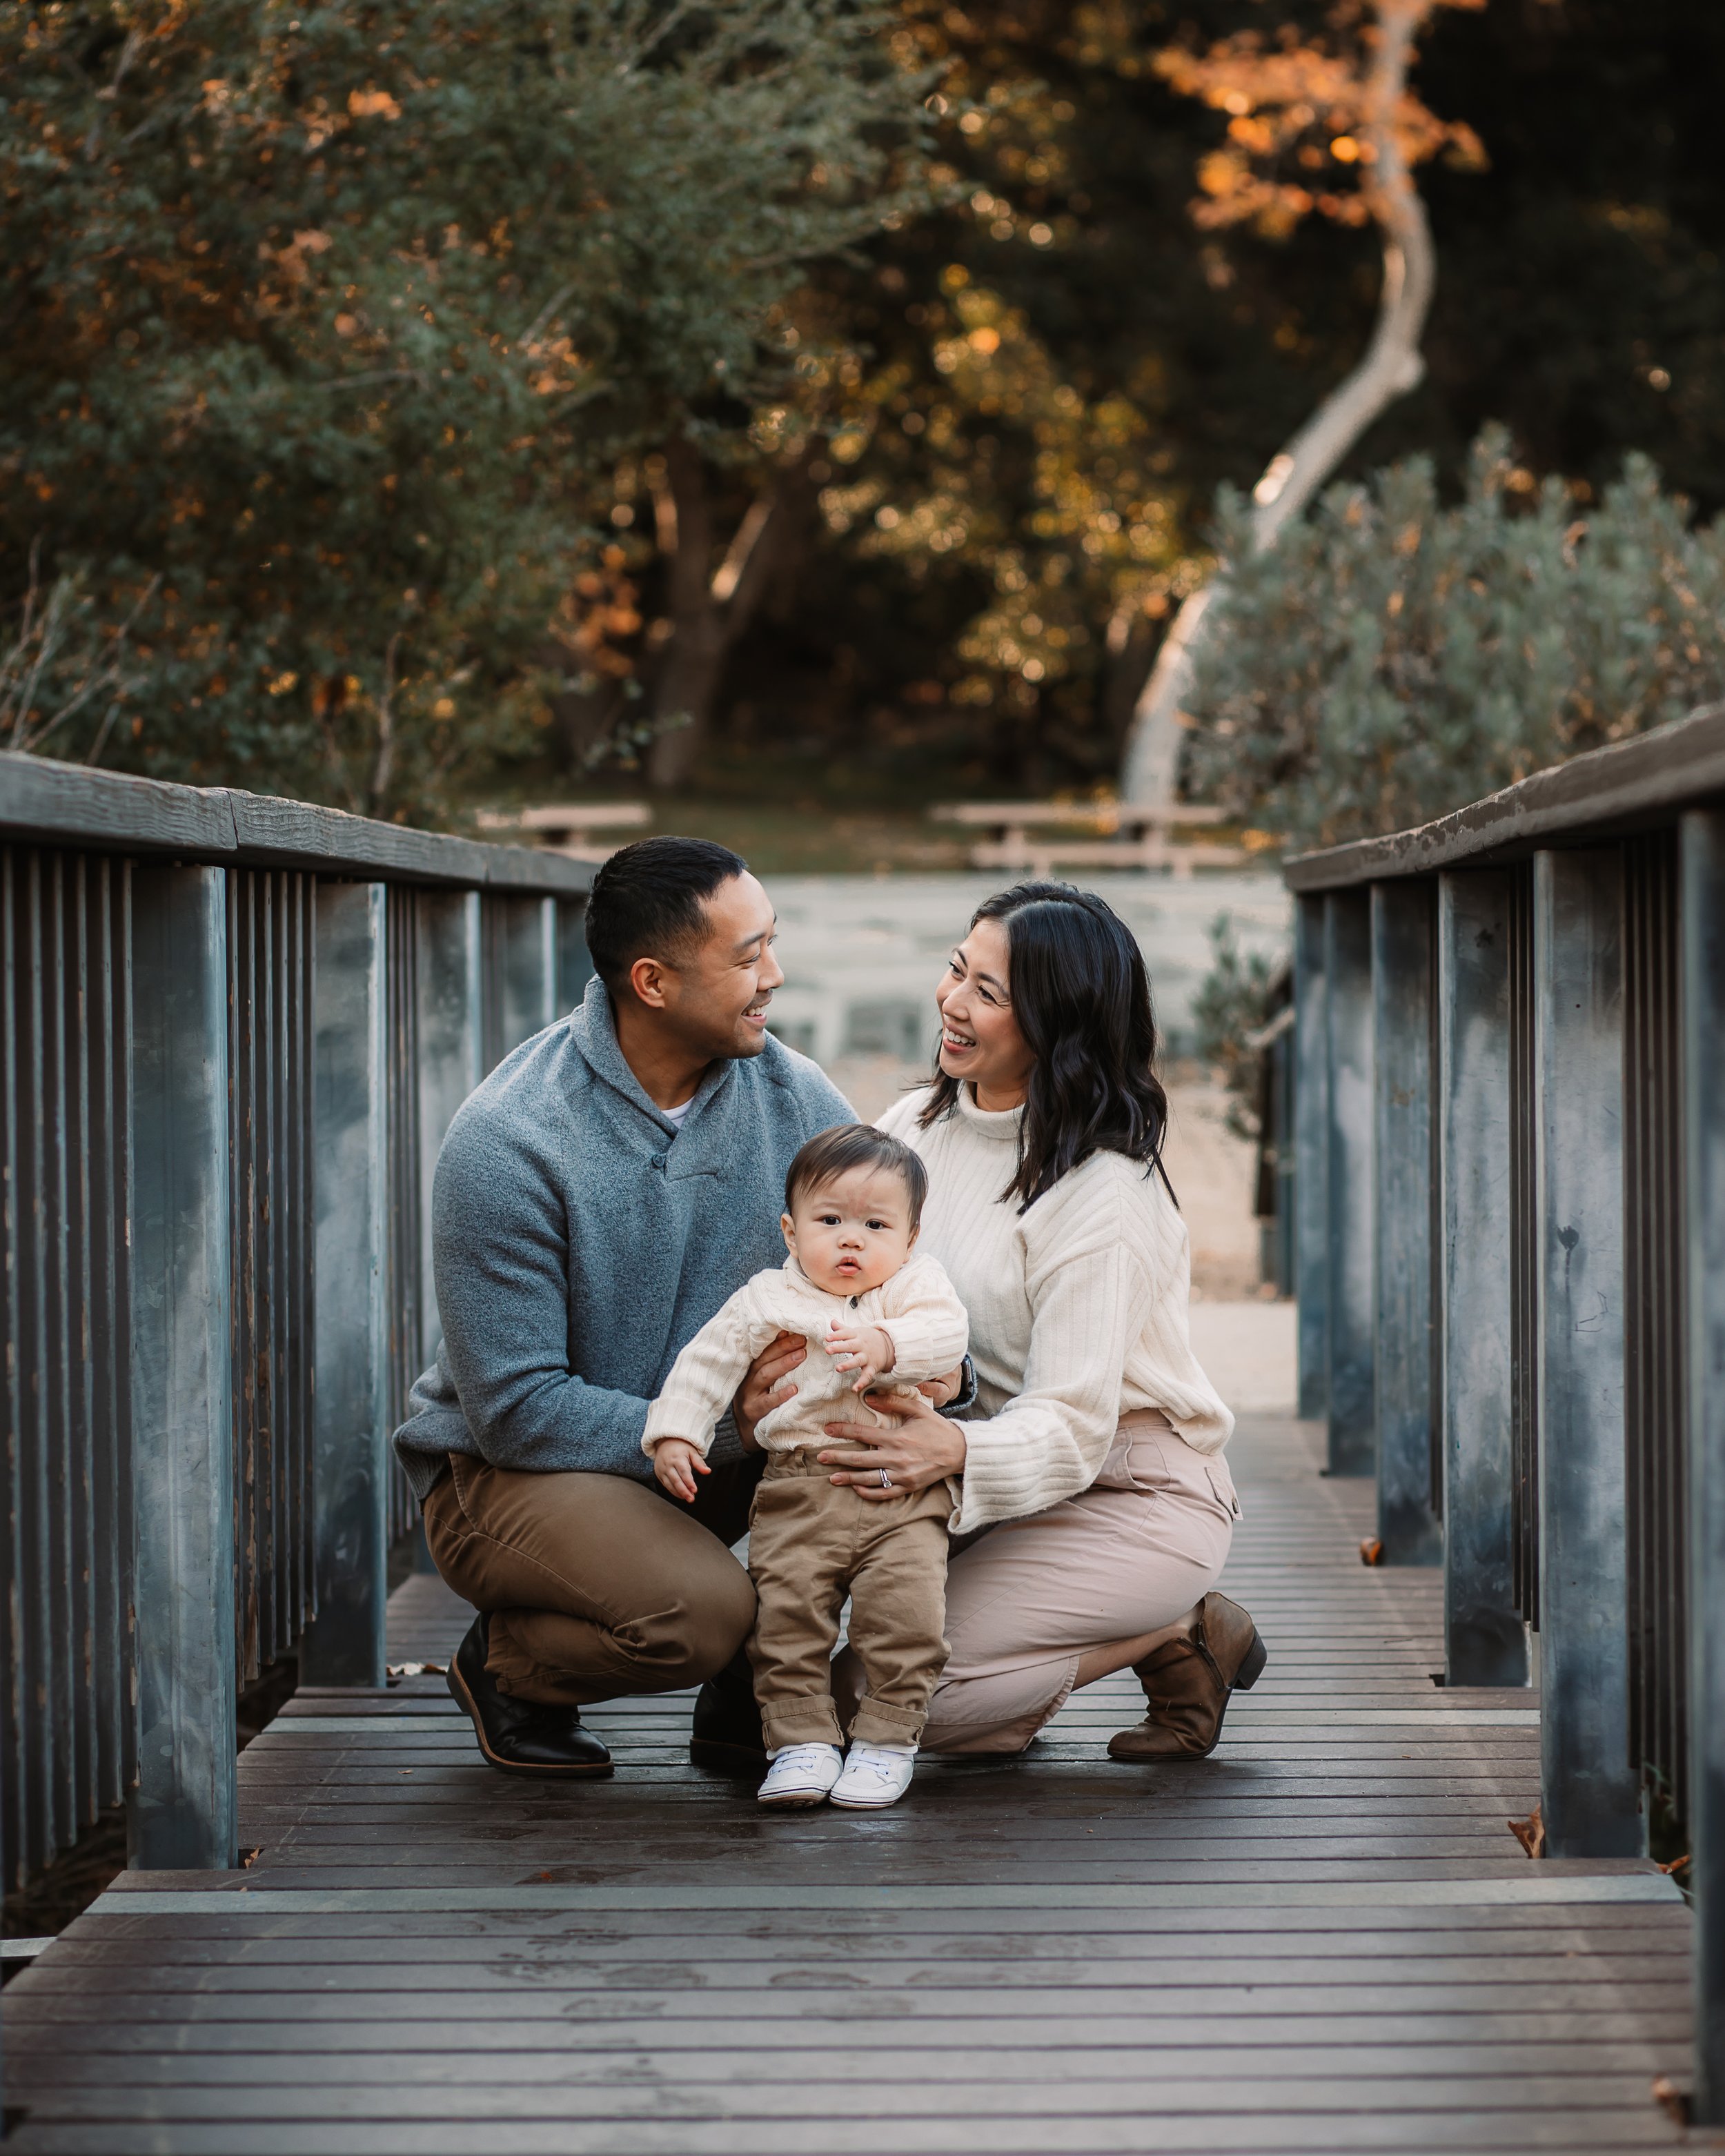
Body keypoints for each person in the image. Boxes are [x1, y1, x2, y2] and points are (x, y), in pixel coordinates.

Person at [393, 835, 862, 1780]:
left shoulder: (795, 1095)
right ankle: (508, 1666)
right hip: (515, 1475)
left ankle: (751, 1694)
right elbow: (518, 1410)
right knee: (701, 1614)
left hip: (708, 1454)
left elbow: (882, 1261)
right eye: (748, 957)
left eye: (771, 944)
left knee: (888, 1464)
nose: (774, 976)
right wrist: (725, 1425)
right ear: (652, 981)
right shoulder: (510, 1138)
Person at [818, 882, 1266, 1761]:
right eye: (956, 970)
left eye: (987, 992)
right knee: (812, 1684)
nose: (951, 1002)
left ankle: (1178, 1628)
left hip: (1127, 1487)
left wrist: (954, 1447)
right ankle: (1024, 1673)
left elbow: (1069, 1422)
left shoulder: (1106, 1193)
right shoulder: (912, 1127)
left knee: (878, 1700)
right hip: (985, 1477)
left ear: (1057, 1027)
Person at [645, 1124, 969, 1811]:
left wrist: (888, 1343)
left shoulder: (916, 1286)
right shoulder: (767, 1298)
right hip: (796, 1485)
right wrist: (676, 1430)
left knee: (905, 1617)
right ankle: (800, 1742)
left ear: (910, 1237)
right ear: (791, 1233)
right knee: (786, 1622)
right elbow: (707, 1361)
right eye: (830, 1221)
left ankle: (886, 1741)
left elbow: (948, 1333)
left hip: (899, 1490)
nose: (852, 1240)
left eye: (876, 1225)